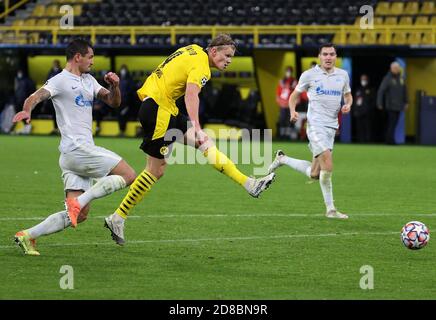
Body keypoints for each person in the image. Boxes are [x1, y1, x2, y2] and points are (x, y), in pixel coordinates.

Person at [103, 34, 276, 245]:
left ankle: (250, 184)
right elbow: (191, 95)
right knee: (155, 170)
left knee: (205, 144)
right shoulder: (203, 67)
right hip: (159, 110)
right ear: (214, 51)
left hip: (165, 107)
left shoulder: (193, 49)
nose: (230, 60)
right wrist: (196, 125)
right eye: (227, 55)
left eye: (232, 56)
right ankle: (117, 217)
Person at [12, 39, 136, 255]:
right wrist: (27, 110)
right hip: (77, 149)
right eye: (90, 57)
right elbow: (35, 96)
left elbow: (113, 102)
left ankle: (28, 235)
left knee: (79, 215)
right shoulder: (60, 80)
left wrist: (114, 86)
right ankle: (79, 201)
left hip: (73, 156)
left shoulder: (89, 80)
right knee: (129, 174)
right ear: (77, 57)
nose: (93, 61)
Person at [268, 43, 353, 219]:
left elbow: (348, 94)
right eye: (325, 54)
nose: (328, 57)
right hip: (315, 126)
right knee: (328, 165)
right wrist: (292, 111)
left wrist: (348, 104)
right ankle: (330, 210)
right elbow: (294, 96)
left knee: (315, 174)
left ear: (335, 57)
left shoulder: (343, 75)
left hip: (331, 128)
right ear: (320, 56)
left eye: (331, 54)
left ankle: (282, 159)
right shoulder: (309, 75)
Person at [376, 61, 408, 145]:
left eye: (398, 68)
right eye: (395, 68)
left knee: (394, 124)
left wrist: (406, 102)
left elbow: (405, 91)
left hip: (399, 106)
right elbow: (381, 91)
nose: (397, 70)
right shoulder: (387, 78)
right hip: (391, 105)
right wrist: (379, 103)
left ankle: (390, 140)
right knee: (391, 123)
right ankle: (390, 140)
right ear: (391, 68)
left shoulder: (401, 78)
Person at [352, 74, 376, 143]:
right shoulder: (358, 90)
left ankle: (368, 141)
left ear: (367, 80)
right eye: (362, 79)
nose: (363, 81)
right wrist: (355, 110)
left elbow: (373, 102)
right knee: (359, 128)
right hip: (359, 112)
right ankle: (360, 141)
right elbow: (355, 101)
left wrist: (369, 110)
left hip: (368, 113)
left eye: (365, 79)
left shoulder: (371, 89)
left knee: (368, 127)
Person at [276, 66, 297, 139]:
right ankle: (282, 134)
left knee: (290, 119)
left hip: (290, 104)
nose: (288, 73)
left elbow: (296, 93)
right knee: (282, 119)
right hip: (283, 104)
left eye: (289, 71)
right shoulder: (282, 81)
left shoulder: (294, 81)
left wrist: (294, 102)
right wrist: (279, 101)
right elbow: (278, 93)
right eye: (287, 71)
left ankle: (289, 134)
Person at [13, 69, 36, 134]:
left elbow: (32, 89)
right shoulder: (17, 80)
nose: (19, 73)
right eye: (18, 72)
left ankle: (28, 125)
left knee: (25, 113)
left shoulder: (27, 80)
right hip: (18, 99)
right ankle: (26, 126)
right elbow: (16, 90)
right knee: (19, 112)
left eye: (20, 72)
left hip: (24, 100)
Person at [45, 59, 62, 135]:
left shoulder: (62, 72)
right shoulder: (50, 72)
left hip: (60, 96)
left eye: (55, 63)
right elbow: (47, 82)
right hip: (52, 95)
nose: (54, 65)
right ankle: (55, 128)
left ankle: (61, 129)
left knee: (61, 112)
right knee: (53, 112)